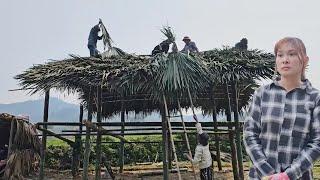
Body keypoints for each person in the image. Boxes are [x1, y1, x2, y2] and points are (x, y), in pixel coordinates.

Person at [243, 37, 320, 180]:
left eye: (291, 54)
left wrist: (288, 175)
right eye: (280, 55)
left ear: (305, 60)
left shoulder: (315, 98)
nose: (285, 59)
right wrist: (269, 173)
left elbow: (317, 141)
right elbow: (250, 133)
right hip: (261, 176)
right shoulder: (262, 93)